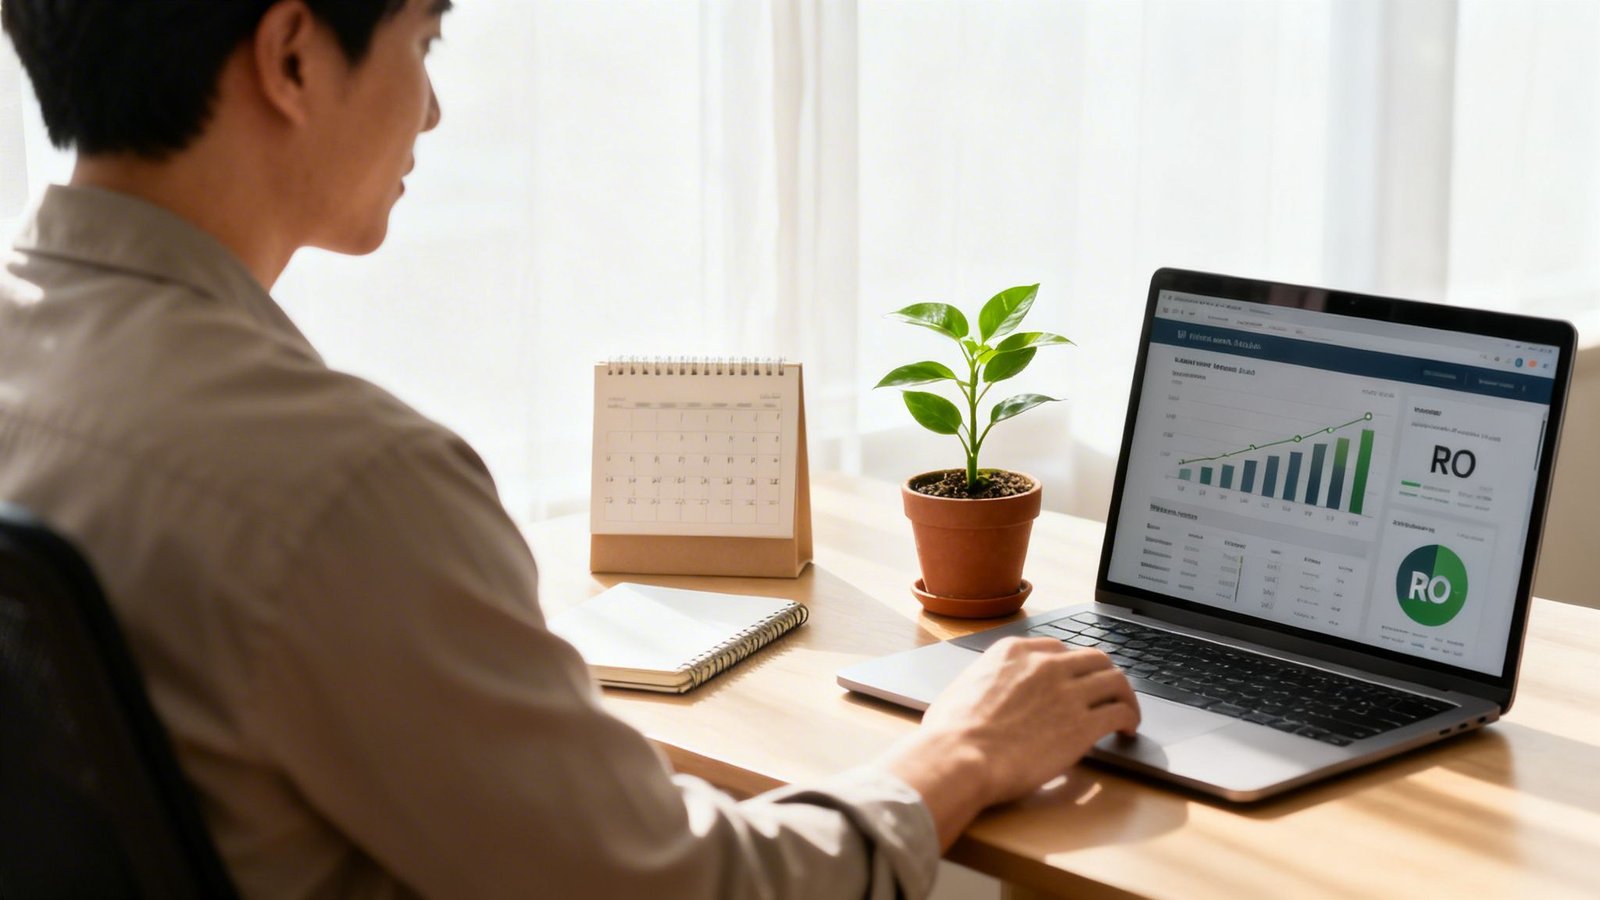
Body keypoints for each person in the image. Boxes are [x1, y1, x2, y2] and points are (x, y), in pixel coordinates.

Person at [0, 1, 1141, 896]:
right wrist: (959, 754)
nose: (434, 109)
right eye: (425, 36)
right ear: (293, 57)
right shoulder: (347, 485)